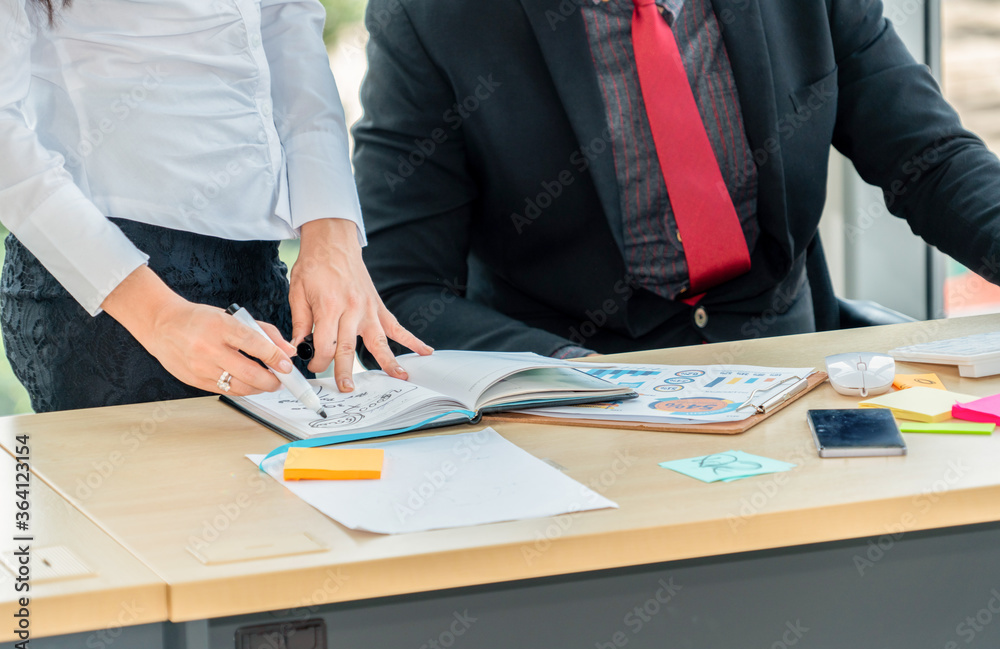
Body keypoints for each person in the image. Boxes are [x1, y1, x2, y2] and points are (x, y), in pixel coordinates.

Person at [352, 0, 1000, 361]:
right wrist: (569, 378)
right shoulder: (432, 19)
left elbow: (931, 160)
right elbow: (402, 288)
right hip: (573, 390)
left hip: (789, 359)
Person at [0, 0, 430, 413]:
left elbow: (288, 24)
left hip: (257, 274)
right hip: (111, 294)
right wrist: (158, 315)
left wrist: (331, 235)